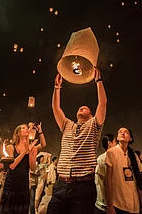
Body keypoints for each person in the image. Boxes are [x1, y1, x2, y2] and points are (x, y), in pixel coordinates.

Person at [47, 68, 107, 214]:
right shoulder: (67, 125)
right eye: (80, 108)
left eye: (86, 109)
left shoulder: (94, 125)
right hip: (61, 185)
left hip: (83, 187)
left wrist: (98, 82)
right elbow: (56, 107)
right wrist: (57, 87)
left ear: (91, 115)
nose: (82, 108)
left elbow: (103, 103)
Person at [0, 123, 46, 214]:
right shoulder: (10, 147)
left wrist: (40, 131)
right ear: (17, 133)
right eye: (23, 128)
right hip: (11, 185)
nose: (26, 129)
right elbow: (12, 166)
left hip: (24, 185)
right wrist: (25, 151)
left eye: (27, 128)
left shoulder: (32, 148)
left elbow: (33, 167)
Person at [106, 127, 142, 214]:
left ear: (130, 138)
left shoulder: (133, 155)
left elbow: (139, 180)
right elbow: (108, 179)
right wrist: (109, 205)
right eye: (120, 132)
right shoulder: (111, 153)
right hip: (118, 203)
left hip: (134, 203)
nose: (122, 133)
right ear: (117, 137)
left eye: (126, 132)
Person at [95, 134, 117, 214]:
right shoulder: (102, 159)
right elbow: (100, 183)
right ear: (109, 143)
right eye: (115, 142)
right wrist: (107, 203)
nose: (117, 145)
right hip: (104, 205)